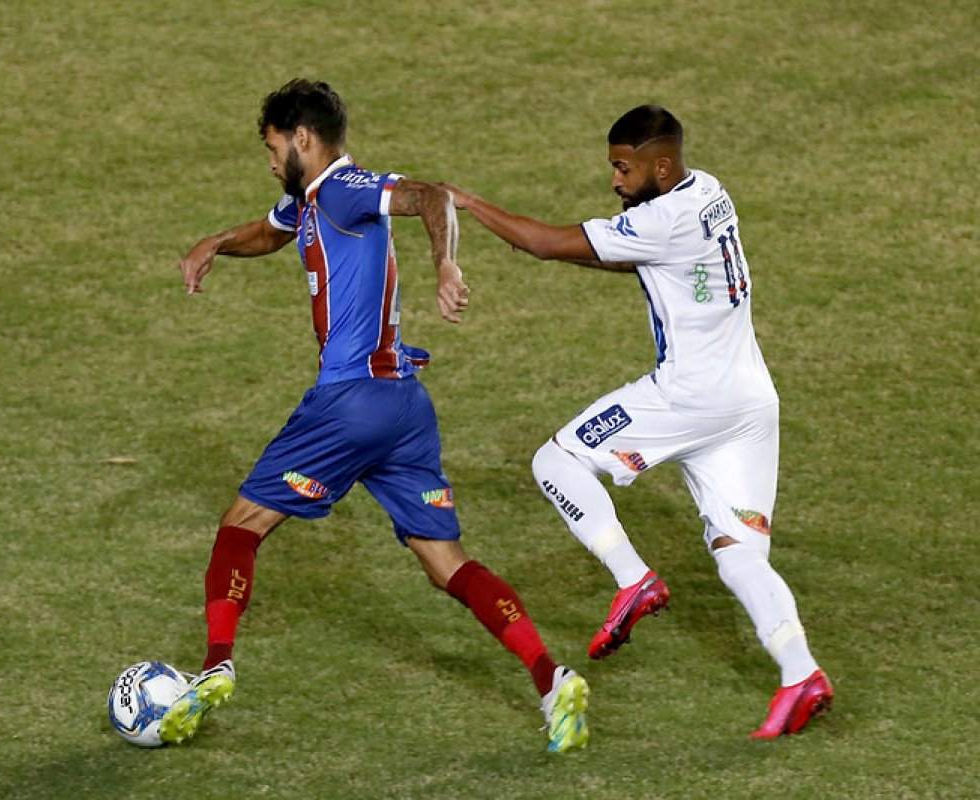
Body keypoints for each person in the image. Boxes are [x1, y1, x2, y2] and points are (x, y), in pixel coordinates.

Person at [160, 79, 590, 752]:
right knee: (446, 561)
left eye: (274, 148)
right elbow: (271, 232)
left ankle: (214, 667)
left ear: (302, 139)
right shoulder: (310, 198)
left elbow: (431, 195)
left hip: (349, 403)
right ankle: (552, 678)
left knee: (240, 527)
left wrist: (446, 263)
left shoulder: (343, 188)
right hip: (404, 409)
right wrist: (214, 242)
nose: (271, 162)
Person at [445, 105, 833, 738]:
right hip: (750, 402)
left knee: (557, 461)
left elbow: (543, 243)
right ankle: (801, 674)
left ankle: (634, 580)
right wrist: (585, 246)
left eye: (623, 169)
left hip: (688, 397)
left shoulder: (662, 217)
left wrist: (468, 202)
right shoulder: (707, 191)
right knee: (739, 555)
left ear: (659, 164)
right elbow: (635, 255)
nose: (616, 181)